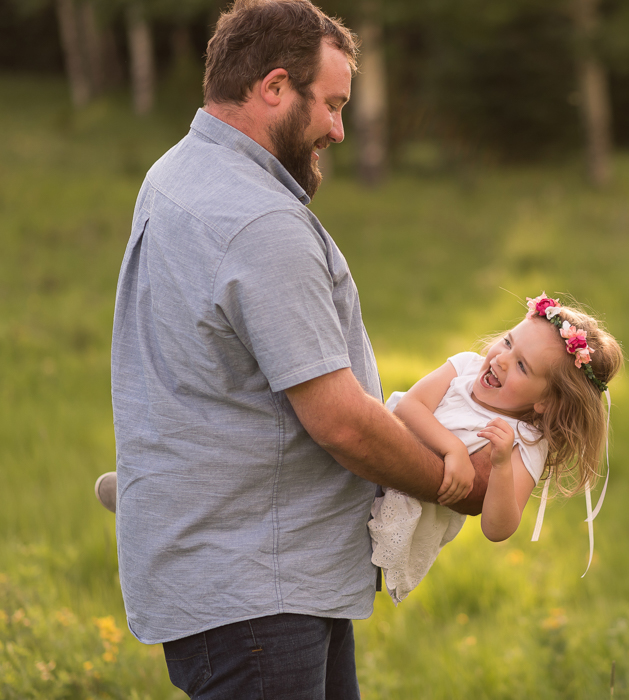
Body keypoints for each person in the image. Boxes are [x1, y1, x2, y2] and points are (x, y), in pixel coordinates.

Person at [108, 1, 489, 697]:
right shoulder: (260, 223)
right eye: (333, 105)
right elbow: (340, 420)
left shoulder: (177, 172)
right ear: (275, 87)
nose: (339, 130)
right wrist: (453, 485)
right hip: (259, 591)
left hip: (245, 574)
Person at [368, 293, 623, 603]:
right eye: (507, 342)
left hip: (394, 503)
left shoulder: (525, 441)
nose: (501, 360)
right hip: (370, 456)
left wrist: (501, 466)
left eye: (522, 367)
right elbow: (409, 407)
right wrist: (455, 450)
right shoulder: (464, 367)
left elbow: (497, 528)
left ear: (545, 401)